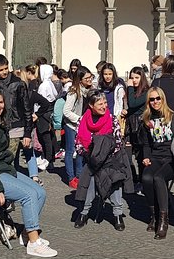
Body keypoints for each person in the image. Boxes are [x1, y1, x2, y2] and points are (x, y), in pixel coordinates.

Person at [0, 87, 57, 257]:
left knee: (40, 192)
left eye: (0, 102)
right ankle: (34, 243)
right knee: (29, 195)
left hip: (2, 168)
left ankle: (26, 234)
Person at [74, 90, 133, 231]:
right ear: (91, 105)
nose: (104, 106)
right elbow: (78, 144)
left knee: (113, 176)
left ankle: (117, 213)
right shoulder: (82, 121)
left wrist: (103, 156)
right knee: (90, 177)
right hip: (91, 160)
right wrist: (89, 156)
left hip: (110, 160)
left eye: (105, 102)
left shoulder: (112, 119)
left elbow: (118, 142)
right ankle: (84, 212)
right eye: (100, 103)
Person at [139, 87, 174, 240]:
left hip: (171, 159)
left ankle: (163, 220)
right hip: (155, 157)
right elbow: (146, 144)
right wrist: (146, 157)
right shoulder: (147, 120)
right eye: (152, 99)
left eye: (157, 99)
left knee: (159, 178)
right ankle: (154, 215)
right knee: (146, 178)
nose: (155, 102)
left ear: (163, 99)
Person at [0, 54, 33, 172]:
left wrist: (27, 133)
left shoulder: (18, 84)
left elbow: (27, 108)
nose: (4, 72)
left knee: (8, 159)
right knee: (4, 158)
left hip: (16, 125)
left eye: (6, 68)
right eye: (0, 70)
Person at [63, 66, 93, 189]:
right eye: (87, 78)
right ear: (80, 80)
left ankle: (80, 175)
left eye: (90, 77)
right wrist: (79, 119)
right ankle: (71, 177)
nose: (90, 79)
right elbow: (66, 111)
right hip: (72, 125)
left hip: (84, 126)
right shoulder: (74, 92)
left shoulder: (90, 90)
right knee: (70, 151)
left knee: (82, 151)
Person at [125, 66, 149, 188]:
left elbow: (133, 103)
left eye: (137, 77)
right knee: (130, 156)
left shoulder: (146, 91)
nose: (134, 80)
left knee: (141, 155)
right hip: (131, 126)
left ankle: (143, 181)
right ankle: (135, 180)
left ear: (142, 78)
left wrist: (128, 87)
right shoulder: (133, 91)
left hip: (140, 126)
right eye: (132, 78)